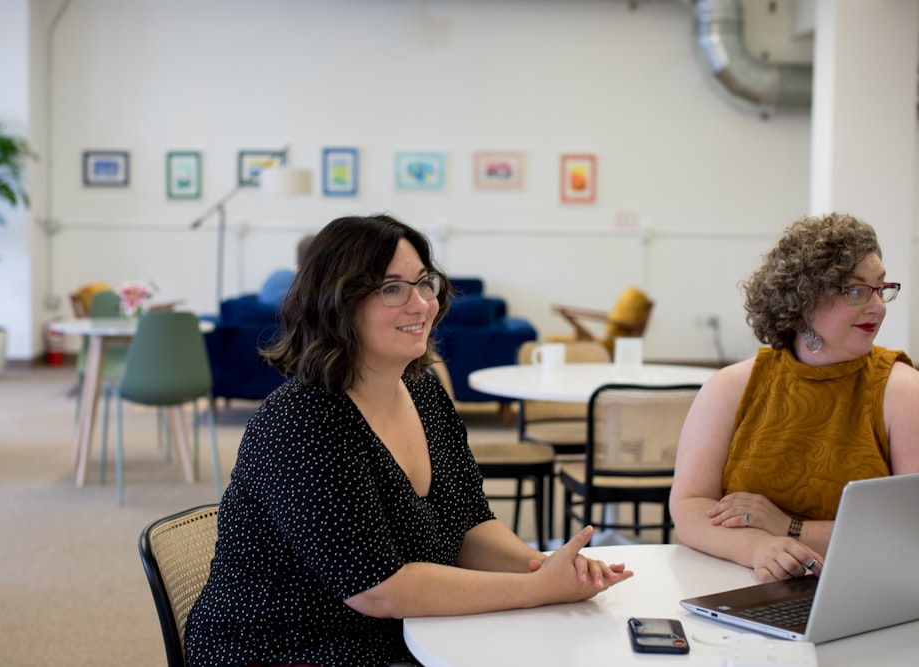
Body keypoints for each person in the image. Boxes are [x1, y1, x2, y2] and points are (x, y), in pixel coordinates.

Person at [185, 214, 633, 667]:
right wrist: (536, 590)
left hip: (398, 634)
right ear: (338, 302)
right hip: (285, 648)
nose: (421, 304)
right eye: (392, 288)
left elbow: (470, 523)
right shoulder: (302, 420)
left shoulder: (424, 390)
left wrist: (542, 566)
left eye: (424, 283)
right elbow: (379, 590)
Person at [669, 213, 919, 583]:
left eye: (880, 288)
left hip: (860, 590)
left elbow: (908, 531)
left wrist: (790, 528)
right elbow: (689, 506)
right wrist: (756, 547)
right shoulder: (730, 388)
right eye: (855, 290)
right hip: (736, 586)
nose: (877, 306)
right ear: (802, 301)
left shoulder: (903, 391)